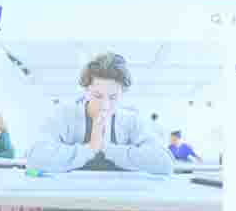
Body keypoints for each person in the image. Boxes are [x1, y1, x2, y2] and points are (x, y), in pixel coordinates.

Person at [21, 50, 173, 174]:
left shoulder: (132, 121)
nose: (105, 105)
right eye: (98, 96)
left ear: (123, 93)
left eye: (113, 97)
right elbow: (35, 159)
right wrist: (90, 149)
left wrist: (106, 148)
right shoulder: (64, 115)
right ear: (86, 90)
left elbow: (164, 163)